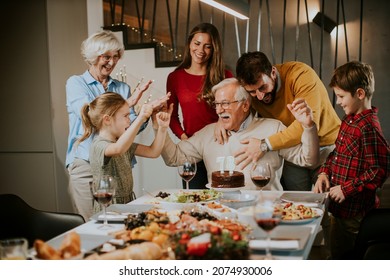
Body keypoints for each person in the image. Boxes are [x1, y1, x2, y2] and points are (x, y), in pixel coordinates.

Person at [66, 30, 168, 220]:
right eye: (106, 57)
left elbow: (127, 130)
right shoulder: (76, 83)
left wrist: (145, 116)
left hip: (118, 162)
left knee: (121, 224)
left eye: (116, 57)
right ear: (92, 57)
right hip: (86, 164)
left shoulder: (122, 88)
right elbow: (91, 116)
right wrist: (128, 104)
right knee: (91, 222)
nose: (112, 62)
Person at [159, 78, 319, 190]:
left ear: (245, 105)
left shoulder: (273, 128)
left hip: (264, 213)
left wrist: (309, 126)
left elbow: (308, 160)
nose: (219, 110)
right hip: (220, 217)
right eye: (217, 104)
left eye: (225, 104)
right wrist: (160, 128)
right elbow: (173, 158)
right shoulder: (208, 133)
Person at [217, 51, 341, 191]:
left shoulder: (301, 75)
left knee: (331, 201)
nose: (259, 96)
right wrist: (221, 120)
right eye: (252, 92)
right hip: (293, 151)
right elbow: (240, 110)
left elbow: (306, 124)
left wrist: (264, 145)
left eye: (262, 87)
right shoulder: (252, 93)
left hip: (328, 149)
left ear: (273, 73)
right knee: (297, 205)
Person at [313, 61, 390, 259]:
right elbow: (336, 153)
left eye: (341, 96)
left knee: (349, 257)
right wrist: (324, 172)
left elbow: (379, 171)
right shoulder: (349, 120)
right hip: (339, 209)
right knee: (336, 249)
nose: (337, 102)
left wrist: (346, 189)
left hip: (355, 215)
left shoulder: (369, 128)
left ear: (360, 94)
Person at [166, 22, 233, 189]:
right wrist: (183, 137)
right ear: (189, 43)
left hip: (221, 146)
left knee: (222, 198)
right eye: (197, 43)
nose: (201, 50)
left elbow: (235, 109)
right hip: (191, 149)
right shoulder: (175, 77)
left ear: (214, 50)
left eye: (208, 46)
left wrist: (221, 121)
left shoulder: (225, 75)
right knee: (194, 200)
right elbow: (171, 116)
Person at [78, 92, 172, 209]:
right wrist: (141, 118)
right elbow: (118, 149)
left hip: (127, 204)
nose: (129, 120)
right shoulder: (98, 145)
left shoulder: (122, 143)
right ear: (107, 120)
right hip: (109, 207)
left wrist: (162, 128)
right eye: (126, 116)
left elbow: (153, 152)